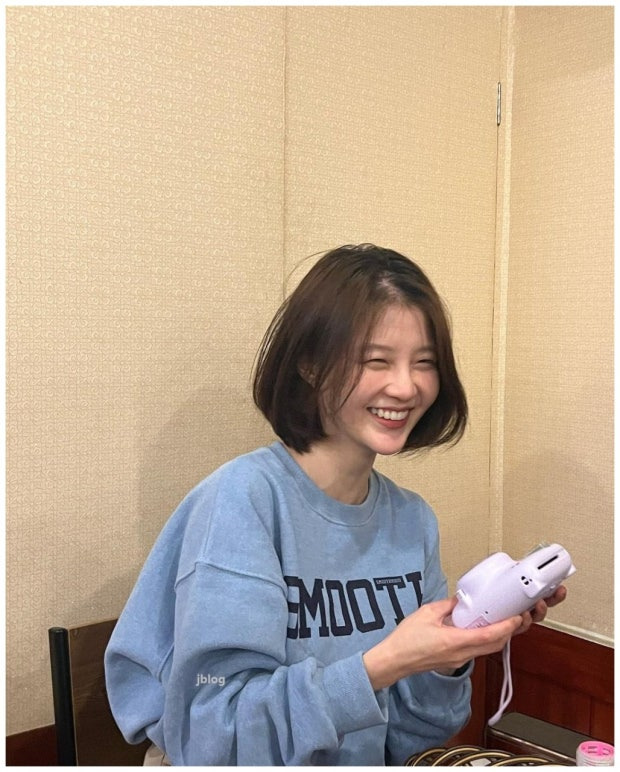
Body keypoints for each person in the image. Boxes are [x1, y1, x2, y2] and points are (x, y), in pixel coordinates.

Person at [104, 244, 566, 766]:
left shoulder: (412, 520)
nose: (405, 386)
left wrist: (450, 656)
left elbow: (415, 738)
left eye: (425, 363)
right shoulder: (242, 502)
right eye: (376, 360)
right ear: (309, 363)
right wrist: (381, 665)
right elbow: (216, 737)